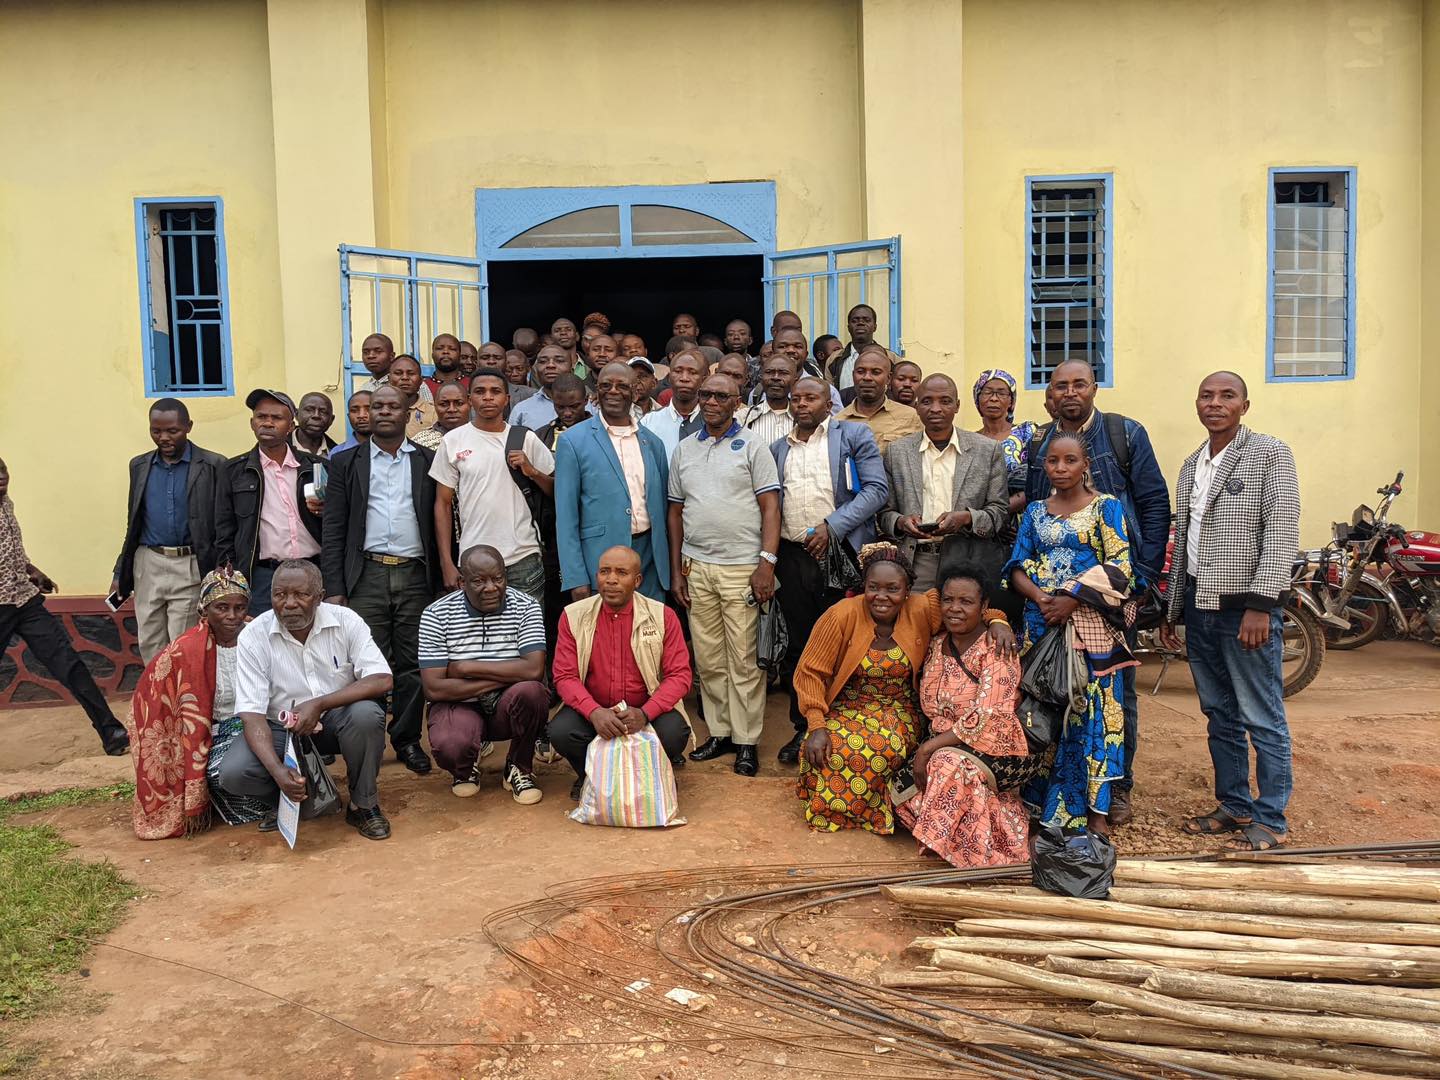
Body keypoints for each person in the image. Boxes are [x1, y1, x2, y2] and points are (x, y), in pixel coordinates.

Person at [1024, 359, 1170, 827]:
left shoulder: (1125, 434)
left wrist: (1140, 578)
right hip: (1048, 609)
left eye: (1079, 384)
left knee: (1113, 695)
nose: (1070, 392)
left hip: (1113, 596)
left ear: (1093, 388)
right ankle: (1056, 790)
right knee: (1052, 687)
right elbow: (1035, 514)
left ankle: (1115, 788)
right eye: (1060, 385)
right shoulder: (1039, 444)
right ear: (1051, 393)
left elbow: (1154, 503)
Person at [1162, 372, 1300, 852]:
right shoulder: (1192, 464)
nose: (1215, 403)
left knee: (1261, 715)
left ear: (1245, 405)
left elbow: (1281, 530)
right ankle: (1235, 804)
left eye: (1227, 396)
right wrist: (1173, 609)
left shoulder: (1269, 453)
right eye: (1206, 395)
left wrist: (1261, 604)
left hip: (1246, 611)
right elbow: (1185, 541)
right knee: (1219, 714)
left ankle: (1271, 818)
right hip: (1200, 607)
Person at [1007, 433, 1137, 837]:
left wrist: (1072, 599)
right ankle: (1041, 804)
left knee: (1092, 712)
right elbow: (1016, 566)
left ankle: (1094, 813)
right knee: (1043, 707)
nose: (1060, 468)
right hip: (1040, 625)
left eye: (1070, 460)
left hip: (1088, 627)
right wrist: (1042, 598)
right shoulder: (1034, 512)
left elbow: (1121, 567)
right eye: (1052, 461)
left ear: (1085, 465)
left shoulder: (1106, 508)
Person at [216, 560, 394, 840]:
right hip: (283, 730)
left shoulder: (346, 621)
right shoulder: (254, 635)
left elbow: (381, 678)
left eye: (301, 594)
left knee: (366, 716)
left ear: (320, 597)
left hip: (338, 721)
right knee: (234, 772)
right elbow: (252, 715)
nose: (289, 603)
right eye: (280, 594)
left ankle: (363, 804)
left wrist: (320, 704)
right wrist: (277, 771)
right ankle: (295, 800)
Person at [321, 384, 440, 776]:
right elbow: (333, 528)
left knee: (412, 663)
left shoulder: (427, 460)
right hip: (366, 574)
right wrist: (335, 588)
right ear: (368, 414)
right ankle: (366, 739)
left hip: (415, 573)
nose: (384, 411)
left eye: (393, 406)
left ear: (407, 413)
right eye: (377, 406)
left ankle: (406, 740)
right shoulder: (345, 463)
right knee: (364, 662)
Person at [769, 377, 889, 763]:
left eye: (811, 398)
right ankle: (804, 726)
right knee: (799, 644)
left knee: (842, 642)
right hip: (793, 557)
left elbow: (876, 490)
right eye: (796, 399)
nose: (802, 404)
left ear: (829, 403)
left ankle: (842, 723)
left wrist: (832, 527)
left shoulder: (853, 436)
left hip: (840, 554)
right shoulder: (778, 448)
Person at [668, 375, 781, 777]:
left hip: (742, 569)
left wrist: (766, 563)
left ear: (736, 402)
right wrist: (677, 571)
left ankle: (747, 741)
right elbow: (675, 512)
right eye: (706, 395)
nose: (711, 401)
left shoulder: (753, 446)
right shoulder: (684, 449)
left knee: (745, 660)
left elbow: (771, 507)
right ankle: (720, 733)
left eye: (721, 395)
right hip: (697, 567)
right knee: (709, 658)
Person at [894, 568, 1038, 867]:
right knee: (901, 791)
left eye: (966, 601)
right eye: (948, 600)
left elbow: (989, 715)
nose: (955, 608)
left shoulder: (997, 648)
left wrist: (927, 749)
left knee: (947, 766)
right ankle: (995, 827)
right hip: (943, 741)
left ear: (984, 606)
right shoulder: (936, 644)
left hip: (996, 745)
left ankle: (968, 853)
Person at [794, 545, 936, 833]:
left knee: (877, 747)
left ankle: (867, 811)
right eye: (873, 587)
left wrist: (996, 620)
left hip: (899, 709)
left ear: (907, 590)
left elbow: (966, 608)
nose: (881, 596)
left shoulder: (923, 609)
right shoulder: (840, 615)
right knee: (826, 745)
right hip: (847, 704)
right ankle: (832, 809)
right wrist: (817, 724)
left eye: (892, 589)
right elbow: (810, 672)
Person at [0, 458, 128, 754]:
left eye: (3, 470)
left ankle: (111, 732)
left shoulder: (7, 504)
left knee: (69, 664)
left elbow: (12, 550)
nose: (1, 477)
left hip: (25, 602)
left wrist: (33, 571)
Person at [549, 546, 693, 799]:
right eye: (605, 571)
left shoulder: (663, 616)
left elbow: (679, 676)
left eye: (621, 572)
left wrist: (645, 713)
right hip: (595, 712)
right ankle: (590, 777)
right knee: (561, 730)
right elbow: (564, 676)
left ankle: (653, 775)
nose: (611, 579)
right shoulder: (574, 616)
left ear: (637, 580)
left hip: (644, 711)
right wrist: (594, 712)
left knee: (674, 731)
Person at [126, 568, 260, 838]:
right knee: (220, 770)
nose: (232, 616)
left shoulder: (260, 638)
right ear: (204, 610)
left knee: (260, 763)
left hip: (258, 725)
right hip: (211, 732)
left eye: (239, 607)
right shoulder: (184, 650)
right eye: (222, 607)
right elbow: (150, 697)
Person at [419, 544, 547, 803]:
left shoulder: (526, 606)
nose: (491, 587)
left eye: (498, 578)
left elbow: (534, 669)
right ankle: (465, 768)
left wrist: (465, 668)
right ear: (462, 582)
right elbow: (434, 688)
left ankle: (518, 766)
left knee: (532, 692)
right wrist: (506, 675)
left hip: (505, 705)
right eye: (479, 581)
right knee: (450, 744)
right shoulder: (436, 614)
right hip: (460, 705)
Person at [112, 399, 226, 661]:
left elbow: (223, 522)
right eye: (156, 431)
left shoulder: (213, 465)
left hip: (189, 564)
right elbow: (134, 522)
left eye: (172, 431)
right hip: (148, 563)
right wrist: (120, 571)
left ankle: (180, 688)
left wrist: (221, 567)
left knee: (182, 642)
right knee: (149, 640)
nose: (163, 437)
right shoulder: (139, 466)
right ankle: (155, 688)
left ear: (188, 427)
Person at [432, 368, 554, 605]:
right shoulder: (452, 441)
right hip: (473, 558)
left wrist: (532, 472)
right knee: (479, 629)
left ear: (506, 399)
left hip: (523, 556)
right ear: (470, 399)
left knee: (528, 627)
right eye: (480, 391)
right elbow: (443, 504)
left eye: (495, 391)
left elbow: (555, 491)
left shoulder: (525, 438)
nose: (488, 397)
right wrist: (446, 562)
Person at [880, 374, 1009, 593]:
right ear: (916, 406)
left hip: (969, 560)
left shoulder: (987, 450)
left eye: (945, 401)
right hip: (915, 561)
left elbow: (999, 512)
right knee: (917, 616)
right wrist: (901, 522)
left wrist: (967, 518)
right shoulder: (897, 452)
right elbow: (884, 513)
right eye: (927, 401)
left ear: (957, 406)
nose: (936, 408)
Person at [555, 363, 672, 601]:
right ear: (596, 392)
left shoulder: (653, 443)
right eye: (605, 386)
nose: (613, 391)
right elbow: (566, 517)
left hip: (650, 560)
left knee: (649, 625)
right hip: (601, 561)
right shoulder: (573, 441)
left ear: (635, 392)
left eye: (622, 386)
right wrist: (575, 577)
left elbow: (662, 506)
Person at [215, 389, 323, 614]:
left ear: (291, 426)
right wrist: (231, 577)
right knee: (265, 634)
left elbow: (335, 524)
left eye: (276, 418)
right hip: (263, 576)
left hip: (314, 569)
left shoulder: (317, 467)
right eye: (261, 417)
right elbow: (224, 530)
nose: (267, 423)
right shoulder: (233, 471)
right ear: (252, 423)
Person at [973, 369, 1036, 518]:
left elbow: (1036, 480)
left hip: (1024, 520)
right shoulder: (970, 441)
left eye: (1001, 393)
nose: (994, 399)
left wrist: (996, 513)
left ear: (1011, 401)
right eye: (987, 392)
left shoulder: (1027, 432)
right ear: (977, 399)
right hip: (982, 523)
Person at [837, 347, 923, 454]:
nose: (867, 377)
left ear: (889, 378)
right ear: (853, 375)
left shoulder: (910, 417)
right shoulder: (838, 422)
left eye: (876, 372)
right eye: (861, 372)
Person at [639, 350, 705, 459]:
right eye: (678, 371)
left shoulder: (713, 422)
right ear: (669, 378)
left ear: (703, 380)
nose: (684, 378)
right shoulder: (648, 422)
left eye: (692, 372)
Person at [828, 304, 901, 391]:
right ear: (848, 327)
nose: (860, 323)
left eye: (867, 320)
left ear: (875, 327)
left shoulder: (892, 358)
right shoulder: (834, 359)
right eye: (855, 320)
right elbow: (830, 392)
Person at [772, 327, 843, 412]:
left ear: (806, 354)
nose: (791, 350)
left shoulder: (826, 390)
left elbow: (837, 419)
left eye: (798, 346)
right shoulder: (761, 390)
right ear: (772, 353)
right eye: (783, 346)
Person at [508, 343, 575, 431]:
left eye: (559, 361)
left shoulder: (589, 406)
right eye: (543, 361)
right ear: (535, 370)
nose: (550, 365)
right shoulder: (521, 410)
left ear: (571, 367)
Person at [741, 352, 798, 446]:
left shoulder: (802, 418)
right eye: (769, 372)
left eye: (783, 373)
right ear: (761, 378)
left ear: (795, 381)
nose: (776, 377)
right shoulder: (743, 418)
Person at [408, 379, 470, 452]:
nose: (452, 409)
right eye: (443, 404)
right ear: (434, 405)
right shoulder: (418, 443)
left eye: (459, 403)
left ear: (470, 403)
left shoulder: (480, 437)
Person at [389, 354, 439, 439]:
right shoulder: (380, 411)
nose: (405, 378)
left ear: (421, 380)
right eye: (398, 373)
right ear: (389, 379)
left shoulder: (434, 412)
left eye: (411, 373)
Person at [294, 393, 338, 458]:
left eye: (323, 412)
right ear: (297, 415)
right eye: (309, 410)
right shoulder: (280, 447)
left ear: (331, 420)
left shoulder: (339, 453)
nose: (316, 416)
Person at [724, 319, 758, 387]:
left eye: (742, 334)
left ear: (750, 340)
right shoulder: (719, 365)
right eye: (731, 334)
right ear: (725, 341)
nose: (736, 337)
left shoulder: (758, 367)